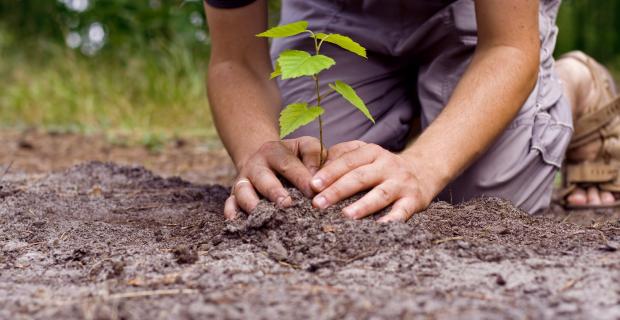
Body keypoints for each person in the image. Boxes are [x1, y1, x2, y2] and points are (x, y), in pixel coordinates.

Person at [203, 0, 620, 222]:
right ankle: (430, 107)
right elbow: (234, 60)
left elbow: (509, 46)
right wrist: (256, 150)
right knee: (311, 180)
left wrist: (423, 168)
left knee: (479, 198)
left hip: (485, 13)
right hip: (342, 9)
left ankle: (573, 83)